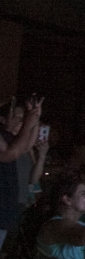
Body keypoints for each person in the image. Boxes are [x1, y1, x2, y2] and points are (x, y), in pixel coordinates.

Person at [0, 95, 43, 251]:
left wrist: (35, 119)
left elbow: (25, 146)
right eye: (17, 117)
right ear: (3, 119)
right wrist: (29, 123)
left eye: (22, 118)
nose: (20, 121)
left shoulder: (10, 138)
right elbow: (11, 153)